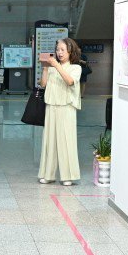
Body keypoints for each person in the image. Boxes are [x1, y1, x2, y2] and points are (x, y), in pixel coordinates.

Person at [38, 37, 82, 186]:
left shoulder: (76, 68)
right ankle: (48, 174)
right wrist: (45, 68)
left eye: (63, 50)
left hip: (66, 107)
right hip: (51, 105)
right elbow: (43, 84)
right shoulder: (51, 67)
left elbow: (69, 81)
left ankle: (68, 175)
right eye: (58, 50)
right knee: (49, 141)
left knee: (66, 141)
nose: (59, 52)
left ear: (70, 51)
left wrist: (56, 65)